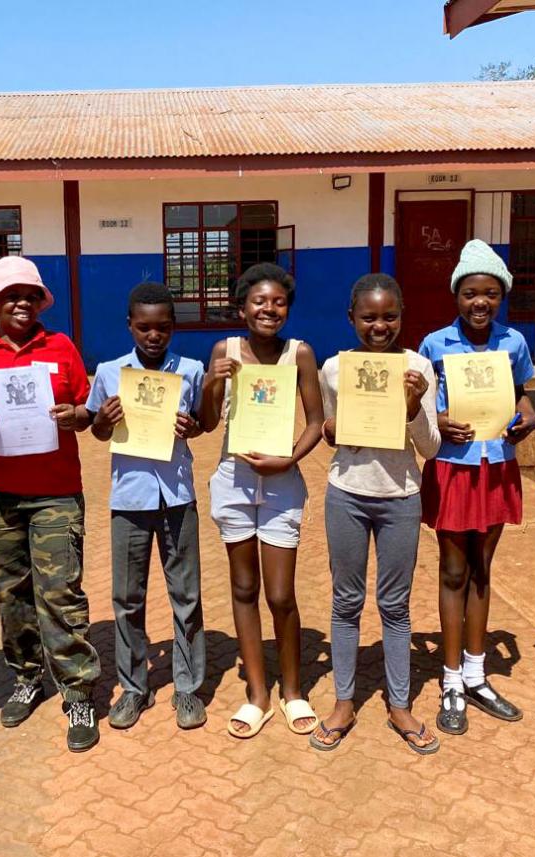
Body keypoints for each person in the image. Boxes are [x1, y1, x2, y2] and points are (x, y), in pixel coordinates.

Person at [0, 255, 102, 752]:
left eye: (29, 295)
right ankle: (27, 675)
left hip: (55, 491)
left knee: (59, 591)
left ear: (40, 302)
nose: (21, 303)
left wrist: (72, 416)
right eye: (9, 296)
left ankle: (77, 691)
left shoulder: (61, 348)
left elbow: (86, 411)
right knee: (10, 593)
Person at [310, 273, 442, 754]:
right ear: (352, 318)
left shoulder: (417, 368)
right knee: (346, 602)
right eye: (369, 316)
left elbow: (431, 446)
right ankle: (344, 701)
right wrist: (331, 425)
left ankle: (400, 705)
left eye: (389, 316)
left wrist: (411, 406)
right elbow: (331, 432)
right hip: (347, 493)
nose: (379, 325)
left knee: (395, 605)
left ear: (402, 317)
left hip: (401, 496)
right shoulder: (333, 369)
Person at [198, 262, 324, 739]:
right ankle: (258, 696)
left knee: (280, 594)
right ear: (242, 307)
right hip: (234, 479)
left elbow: (315, 421)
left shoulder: (300, 354)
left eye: (277, 302)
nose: (269, 309)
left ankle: (294, 691)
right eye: (259, 301)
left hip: (281, 481)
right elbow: (209, 424)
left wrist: (288, 459)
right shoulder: (224, 351)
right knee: (244, 590)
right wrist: (214, 381)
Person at [418, 240, 535, 736]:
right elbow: (421, 406)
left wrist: (529, 415)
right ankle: (450, 680)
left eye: (490, 293)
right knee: (453, 571)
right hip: (453, 466)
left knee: (483, 572)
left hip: (497, 465)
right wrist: (440, 420)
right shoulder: (433, 345)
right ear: (456, 296)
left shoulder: (514, 343)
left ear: (502, 295)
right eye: (470, 293)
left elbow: (525, 396)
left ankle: (476, 674)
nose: (480, 303)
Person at [86, 282, 208, 731]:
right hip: (130, 495)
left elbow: (199, 424)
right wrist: (102, 420)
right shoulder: (110, 372)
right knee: (127, 598)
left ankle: (188, 688)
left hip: (177, 495)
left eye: (161, 327)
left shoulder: (190, 371)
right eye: (143, 327)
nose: (152, 336)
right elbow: (97, 430)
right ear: (130, 326)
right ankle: (134, 688)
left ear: (173, 327)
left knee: (186, 595)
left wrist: (190, 426)